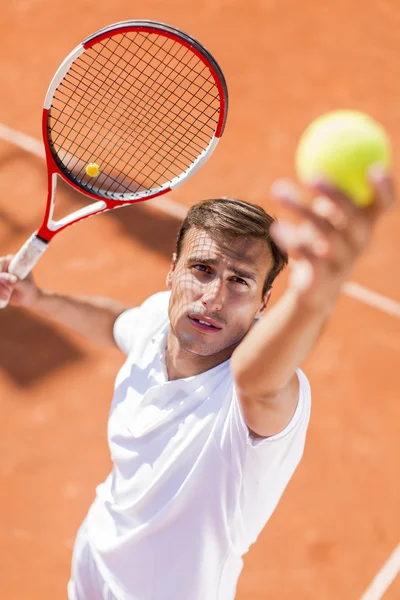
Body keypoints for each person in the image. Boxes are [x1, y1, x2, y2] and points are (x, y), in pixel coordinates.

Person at [0, 168, 394, 600]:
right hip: (95, 562)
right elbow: (115, 323)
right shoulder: (157, 321)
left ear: (265, 302)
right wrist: (39, 299)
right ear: (172, 272)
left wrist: (315, 294)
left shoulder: (252, 396)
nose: (213, 298)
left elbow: (257, 380)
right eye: (202, 269)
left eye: (240, 281)